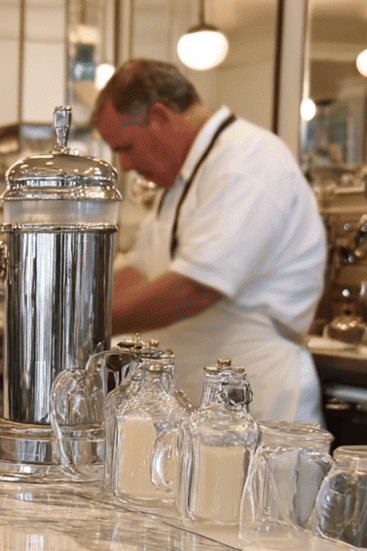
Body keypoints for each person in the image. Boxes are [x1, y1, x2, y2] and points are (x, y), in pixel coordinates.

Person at [92, 59, 327, 424]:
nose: (124, 165)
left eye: (126, 147)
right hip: (198, 401)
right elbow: (140, 268)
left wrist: (88, 324)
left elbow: (194, 289)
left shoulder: (245, 161)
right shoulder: (183, 179)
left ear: (159, 117)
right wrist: (81, 305)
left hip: (253, 400)